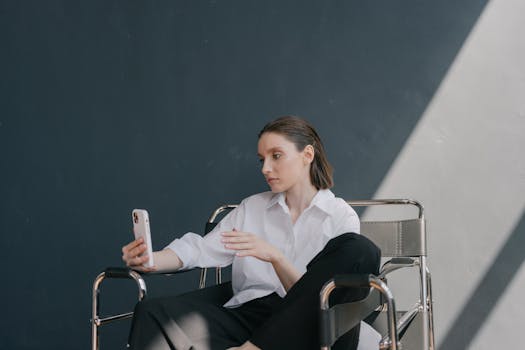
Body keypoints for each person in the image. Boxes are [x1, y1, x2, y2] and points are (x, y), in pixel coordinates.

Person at [122, 116, 381, 350]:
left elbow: (322, 300)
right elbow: (200, 249)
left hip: (308, 323)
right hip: (249, 314)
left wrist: (276, 258)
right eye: (262, 159)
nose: (265, 168)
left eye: (276, 156)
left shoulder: (339, 216)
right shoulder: (253, 207)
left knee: (358, 248)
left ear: (307, 154)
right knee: (152, 312)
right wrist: (152, 260)